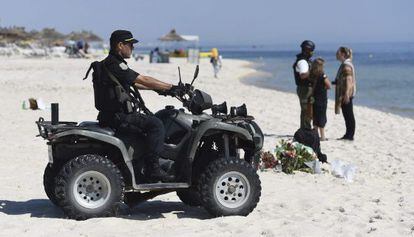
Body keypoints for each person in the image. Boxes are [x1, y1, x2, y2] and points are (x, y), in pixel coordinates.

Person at [97, 30, 179, 182]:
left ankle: (143, 162)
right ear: (120, 45)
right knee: (156, 124)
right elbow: (143, 79)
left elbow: (135, 84)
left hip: (110, 115)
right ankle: (153, 168)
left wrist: (160, 90)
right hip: (119, 116)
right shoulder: (115, 64)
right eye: (130, 44)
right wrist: (171, 87)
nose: (133, 48)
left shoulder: (109, 64)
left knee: (151, 121)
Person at [334, 46, 356, 140]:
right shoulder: (347, 63)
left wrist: (346, 93)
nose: (336, 55)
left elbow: (349, 79)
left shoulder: (346, 65)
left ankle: (349, 135)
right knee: (347, 114)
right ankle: (348, 134)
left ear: (342, 54)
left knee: (348, 114)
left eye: (338, 53)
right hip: (345, 92)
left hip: (346, 93)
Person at [293, 40, 315, 129]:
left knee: (307, 109)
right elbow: (303, 75)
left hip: (305, 88)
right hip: (305, 89)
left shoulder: (304, 60)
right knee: (306, 110)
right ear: (307, 50)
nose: (312, 53)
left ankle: (305, 127)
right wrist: (314, 72)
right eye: (311, 51)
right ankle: (305, 128)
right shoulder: (302, 61)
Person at [310, 58, 331, 141]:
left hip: (314, 98)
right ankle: (322, 136)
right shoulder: (322, 75)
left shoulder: (312, 75)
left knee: (315, 117)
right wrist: (323, 87)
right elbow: (329, 85)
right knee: (322, 116)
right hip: (322, 98)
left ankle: (315, 135)